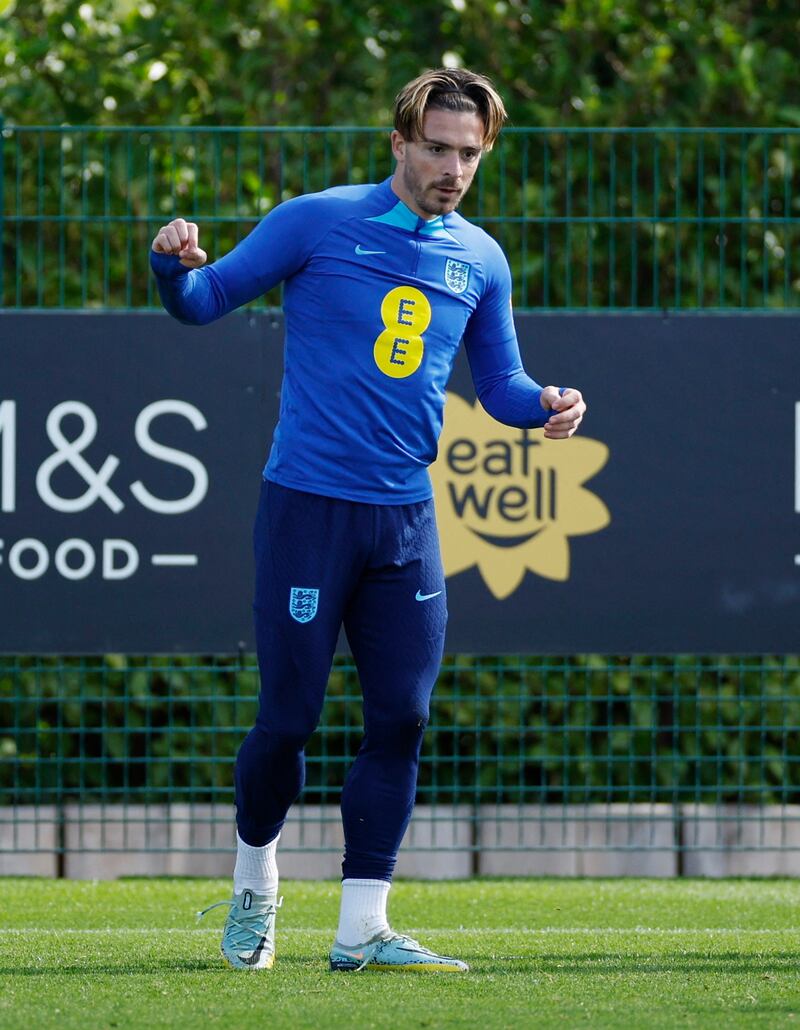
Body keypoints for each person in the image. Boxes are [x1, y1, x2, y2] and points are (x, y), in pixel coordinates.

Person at [150, 67, 586, 974]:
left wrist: (542, 400)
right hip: (308, 510)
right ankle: (254, 887)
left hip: (407, 521)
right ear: (399, 142)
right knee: (288, 720)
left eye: (469, 152)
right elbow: (202, 302)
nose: (453, 167)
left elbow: (498, 383)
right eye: (437, 147)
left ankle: (361, 929)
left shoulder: (482, 257)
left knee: (403, 717)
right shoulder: (317, 220)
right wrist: (170, 263)